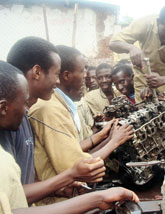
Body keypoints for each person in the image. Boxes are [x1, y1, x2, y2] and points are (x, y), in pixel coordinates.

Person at [0, 60, 139, 213]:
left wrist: (59, 186)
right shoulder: (46, 110)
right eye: (25, 103)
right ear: (3, 108)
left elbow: (16, 196)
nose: (28, 110)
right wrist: (94, 198)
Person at [5, 37, 110, 205]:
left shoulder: (22, 115)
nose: (58, 81)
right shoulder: (11, 123)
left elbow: (22, 184)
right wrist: (70, 176)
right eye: (56, 74)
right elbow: (11, 196)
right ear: (37, 72)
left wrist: (58, 188)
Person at [29, 45, 134, 205]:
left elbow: (78, 149)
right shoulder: (49, 108)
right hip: (56, 202)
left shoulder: (63, 105)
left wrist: (106, 137)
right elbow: (77, 166)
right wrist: (114, 142)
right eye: (83, 71)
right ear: (67, 76)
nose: (87, 77)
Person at [109, 3, 165, 108]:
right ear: (159, 21)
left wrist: (162, 80)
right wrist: (131, 48)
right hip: (145, 84)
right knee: (143, 118)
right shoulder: (145, 23)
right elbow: (113, 43)